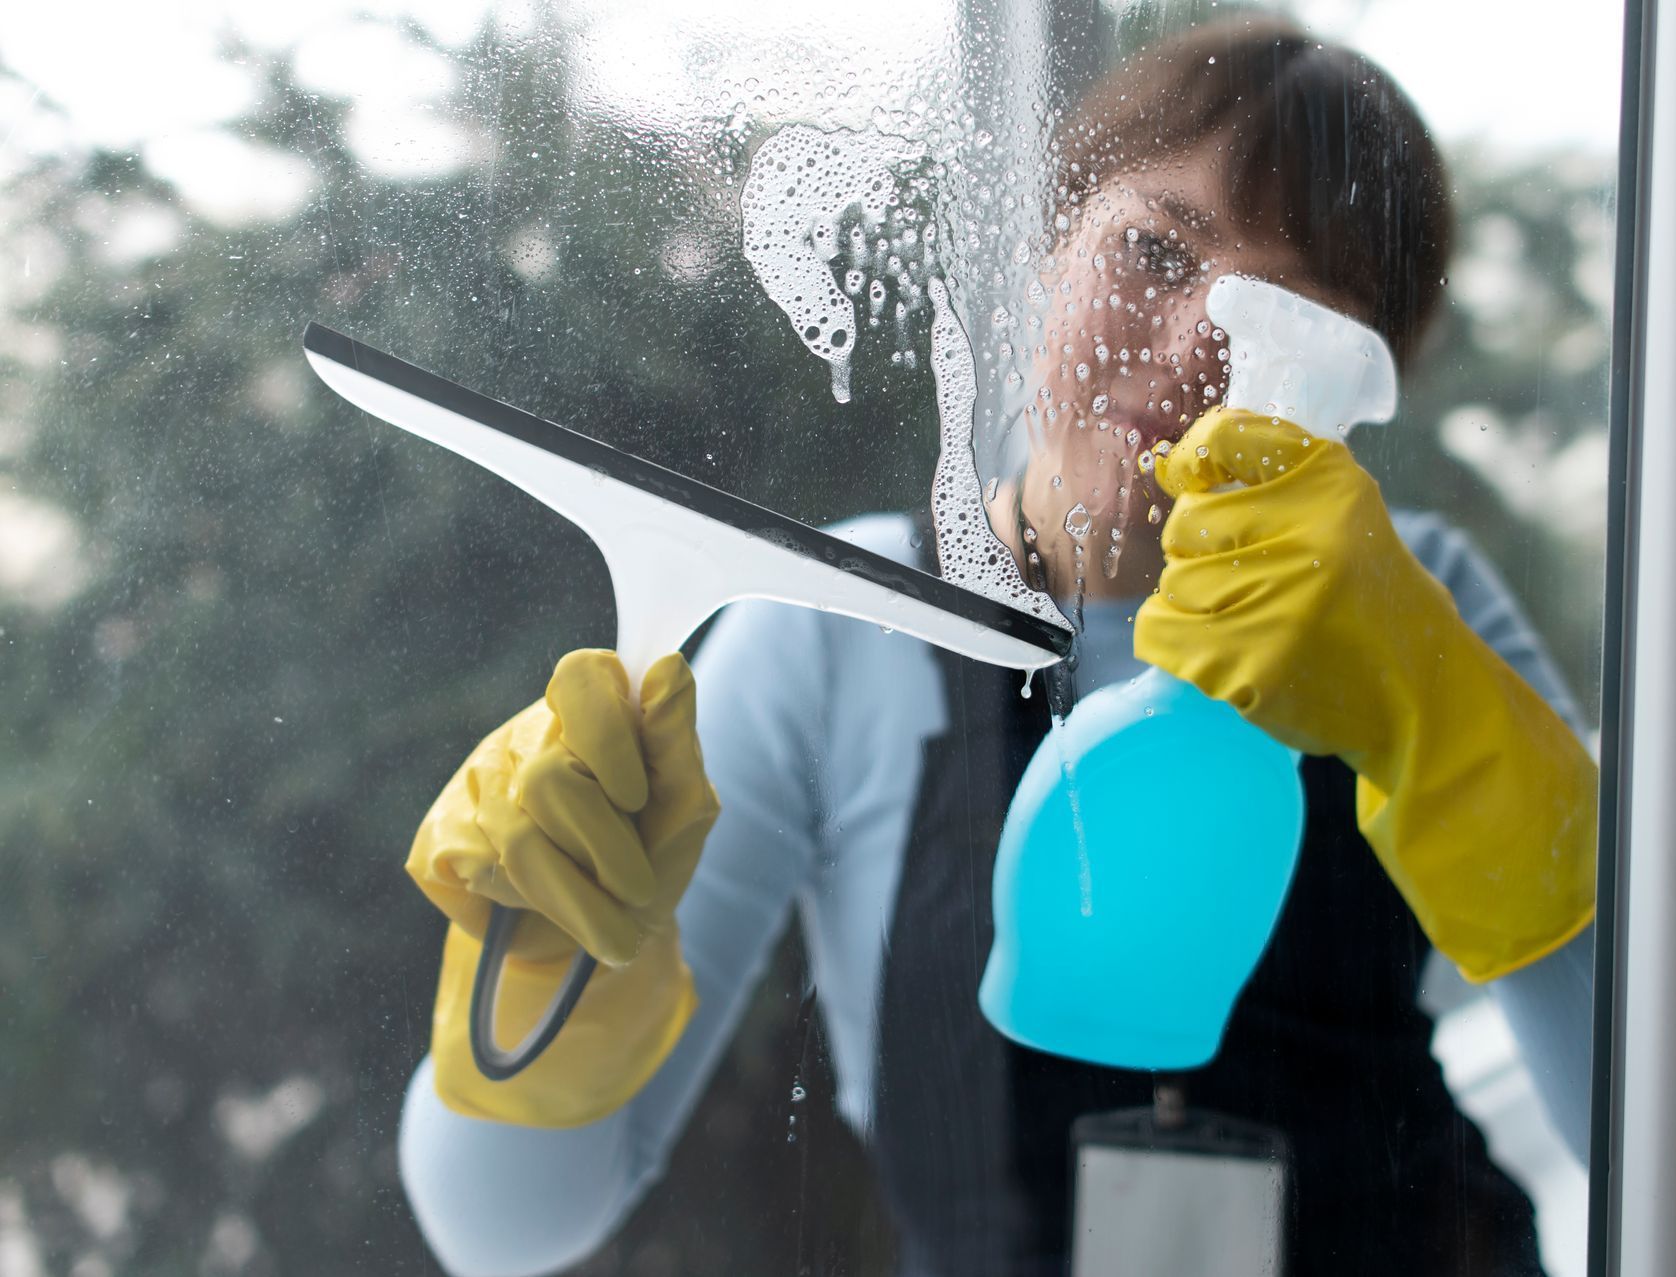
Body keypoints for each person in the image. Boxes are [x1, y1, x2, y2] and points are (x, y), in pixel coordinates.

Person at [397, 18, 1599, 1277]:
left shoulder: (1431, 609)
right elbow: (510, 1228)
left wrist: (1454, 726)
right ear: (1041, 251)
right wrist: (541, 955)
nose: (1201, 345)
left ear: (1370, 397)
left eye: (1291, 322)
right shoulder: (837, 623)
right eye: (1154, 250)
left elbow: (1655, 1129)